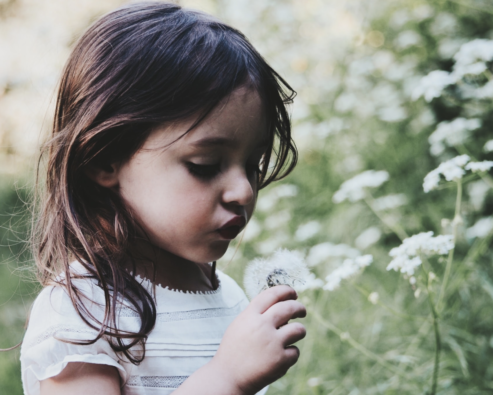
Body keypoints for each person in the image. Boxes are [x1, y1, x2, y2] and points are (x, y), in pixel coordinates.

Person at [20, 2, 306, 394]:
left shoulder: (230, 298)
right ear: (105, 158)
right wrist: (226, 378)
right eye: (205, 165)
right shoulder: (80, 314)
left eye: (253, 165)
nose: (243, 191)